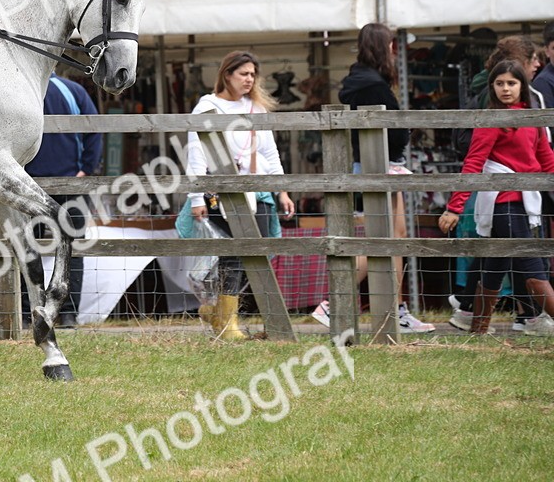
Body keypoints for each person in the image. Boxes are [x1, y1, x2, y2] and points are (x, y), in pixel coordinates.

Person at [311, 23, 436, 333]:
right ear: (386, 47)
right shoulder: (372, 85)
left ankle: (396, 311)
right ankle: (334, 302)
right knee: (380, 241)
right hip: (376, 166)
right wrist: (404, 135)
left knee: (397, 238)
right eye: (393, 45)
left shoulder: (365, 80)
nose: (395, 50)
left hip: (379, 165)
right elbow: (386, 128)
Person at [185, 50, 296, 340]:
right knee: (233, 252)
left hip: (257, 190)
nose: (250, 79)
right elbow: (196, 153)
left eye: (252, 74)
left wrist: (281, 190)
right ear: (227, 74)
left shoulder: (255, 108)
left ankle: (218, 314)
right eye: (243, 74)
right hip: (218, 192)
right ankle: (228, 323)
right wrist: (196, 198)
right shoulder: (207, 107)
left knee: (254, 254)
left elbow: (270, 153)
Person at [438, 60, 554, 336]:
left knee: (497, 261)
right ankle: (527, 321)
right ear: (492, 87)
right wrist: (454, 207)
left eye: (511, 83)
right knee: (531, 263)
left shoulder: (532, 118)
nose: (505, 89)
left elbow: (545, 157)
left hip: (525, 201)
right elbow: (474, 163)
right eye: (499, 83)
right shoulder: (491, 119)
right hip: (501, 202)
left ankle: (473, 321)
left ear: (522, 86)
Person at [23, 74, 103, 328]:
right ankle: (66, 314)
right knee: (70, 250)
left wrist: (85, 170)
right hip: (64, 181)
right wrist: (86, 169)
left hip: (31, 183)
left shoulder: (24, 86)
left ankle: (31, 312)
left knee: (27, 248)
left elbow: (93, 130)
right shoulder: (72, 89)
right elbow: (95, 130)